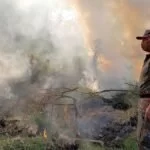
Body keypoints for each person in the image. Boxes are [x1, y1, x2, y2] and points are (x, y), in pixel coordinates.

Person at [136, 30, 150, 150]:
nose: (143, 42)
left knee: (146, 139)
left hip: (148, 103)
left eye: (145, 39)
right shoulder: (148, 58)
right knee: (142, 137)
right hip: (144, 102)